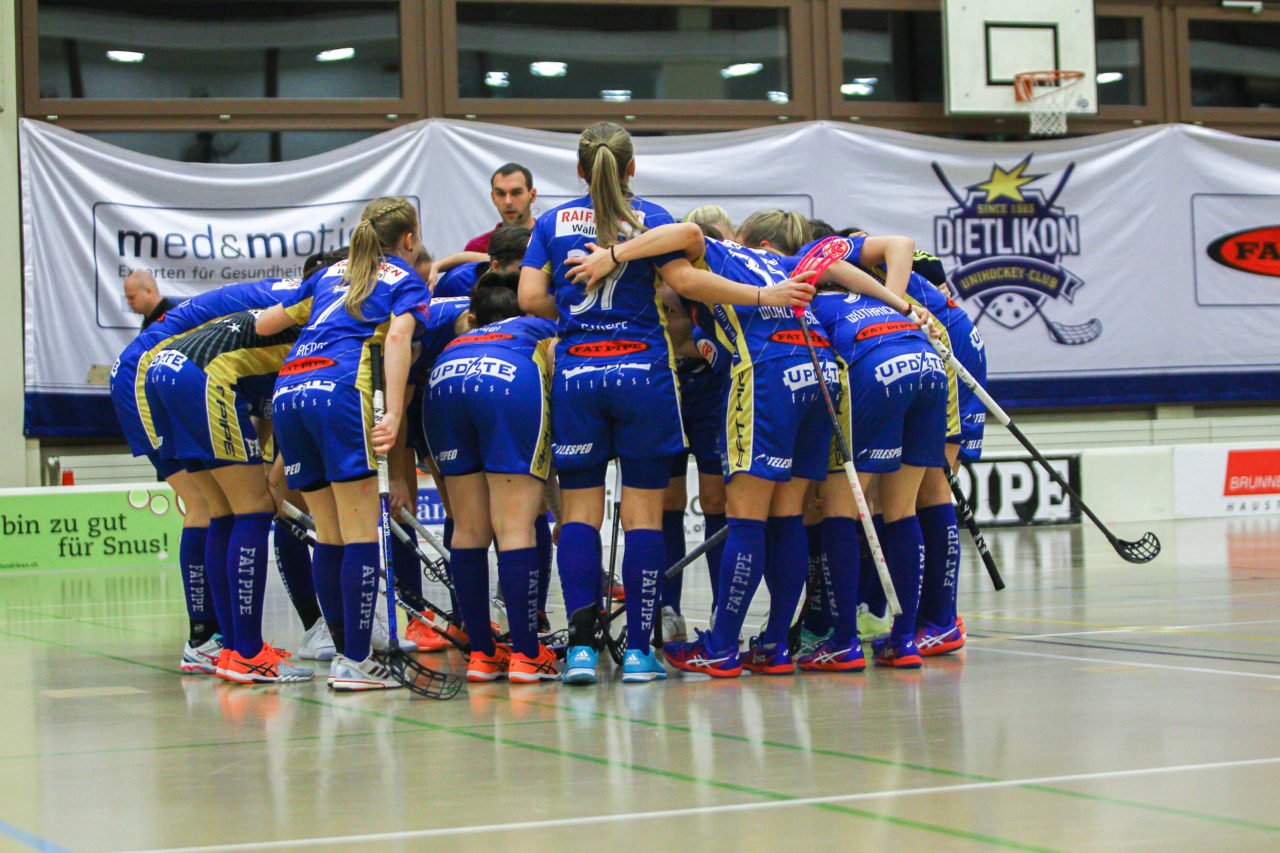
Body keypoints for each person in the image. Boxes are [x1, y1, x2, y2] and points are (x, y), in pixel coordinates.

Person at [520, 122, 813, 684]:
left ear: (580, 171)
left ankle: (581, 650)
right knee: (644, 519)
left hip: (580, 375)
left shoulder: (552, 222)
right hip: (644, 376)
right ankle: (637, 650)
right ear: (631, 169)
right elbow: (688, 281)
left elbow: (532, 296)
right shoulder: (652, 219)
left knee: (578, 516)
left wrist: (575, 309)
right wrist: (760, 295)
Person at [565, 215, 833, 678]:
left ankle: (722, 647)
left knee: (745, 520)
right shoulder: (778, 261)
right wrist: (899, 305)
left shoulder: (722, 254)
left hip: (767, 371)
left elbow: (688, 238)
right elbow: (844, 261)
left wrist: (612, 255)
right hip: (818, 367)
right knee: (787, 516)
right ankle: (774, 645)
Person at [255, 196, 429, 692]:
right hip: (339, 391)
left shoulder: (330, 275)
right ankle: (356, 659)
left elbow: (268, 323)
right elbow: (397, 341)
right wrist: (393, 412)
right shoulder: (405, 279)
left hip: (289, 390)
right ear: (409, 239)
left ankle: (340, 651)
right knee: (357, 533)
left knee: (328, 533)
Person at [110, 273, 318, 675]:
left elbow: (259, 415)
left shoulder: (288, 298)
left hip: (153, 370)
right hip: (152, 372)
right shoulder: (302, 306)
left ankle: (220, 643)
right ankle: (222, 644)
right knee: (217, 507)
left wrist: (267, 477)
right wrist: (266, 484)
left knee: (218, 507)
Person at [424, 273, 561, 682]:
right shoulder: (543, 325)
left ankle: (482, 654)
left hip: (443, 382)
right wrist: (563, 509)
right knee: (516, 526)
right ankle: (526, 652)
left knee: (467, 529)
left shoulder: (454, 336)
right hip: (507, 380)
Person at [435, 225, 531, 298]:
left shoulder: (539, 280)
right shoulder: (457, 283)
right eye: (522, 269)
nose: (531, 275)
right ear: (496, 266)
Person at [465, 163, 538, 253]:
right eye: (500, 193)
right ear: (493, 197)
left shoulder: (550, 240)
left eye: (516, 193)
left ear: (532, 195)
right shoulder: (477, 248)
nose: (508, 202)